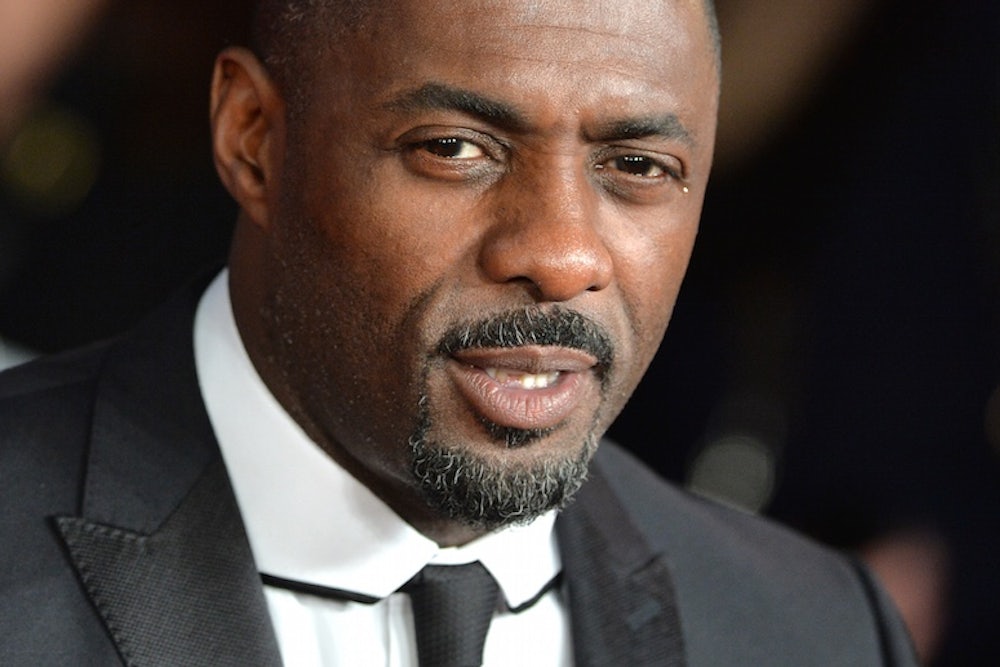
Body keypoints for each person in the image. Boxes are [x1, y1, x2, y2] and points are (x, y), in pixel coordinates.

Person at [0, 0, 917, 665]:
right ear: (253, 139)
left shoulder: (813, 631)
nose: (561, 255)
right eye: (454, 148)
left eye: (638, 165)